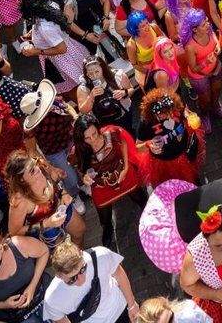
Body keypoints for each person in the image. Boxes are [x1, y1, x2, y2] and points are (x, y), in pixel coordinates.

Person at [71, 113, 146, 248]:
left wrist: (126, 168)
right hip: (101, 184)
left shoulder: (112, 133)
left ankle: (149, 213)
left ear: (98, 128)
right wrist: (85, 177)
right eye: (87, 137)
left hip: (121, 173)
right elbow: (81, 169)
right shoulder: (80, 149)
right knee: (104, 213)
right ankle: (108, 229)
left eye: (94, 134)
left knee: (139, 197)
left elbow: (124, 144)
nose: (92, 139)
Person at [42, 236, 140, 323]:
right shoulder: (53, 298)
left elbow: (118, 273)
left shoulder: (99, 256)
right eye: (72, 279)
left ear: (82, 254)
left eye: (83, 269)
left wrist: (132, 305)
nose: (81, 280)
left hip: (119, 307)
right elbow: (60, 319)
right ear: (59, 275)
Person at [0, 225, 50, 323]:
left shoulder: (18, 245)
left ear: (1, 249)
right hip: (17, 314)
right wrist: (3, 304)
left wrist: (32, 285)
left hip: (41, 291)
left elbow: (44, 251)